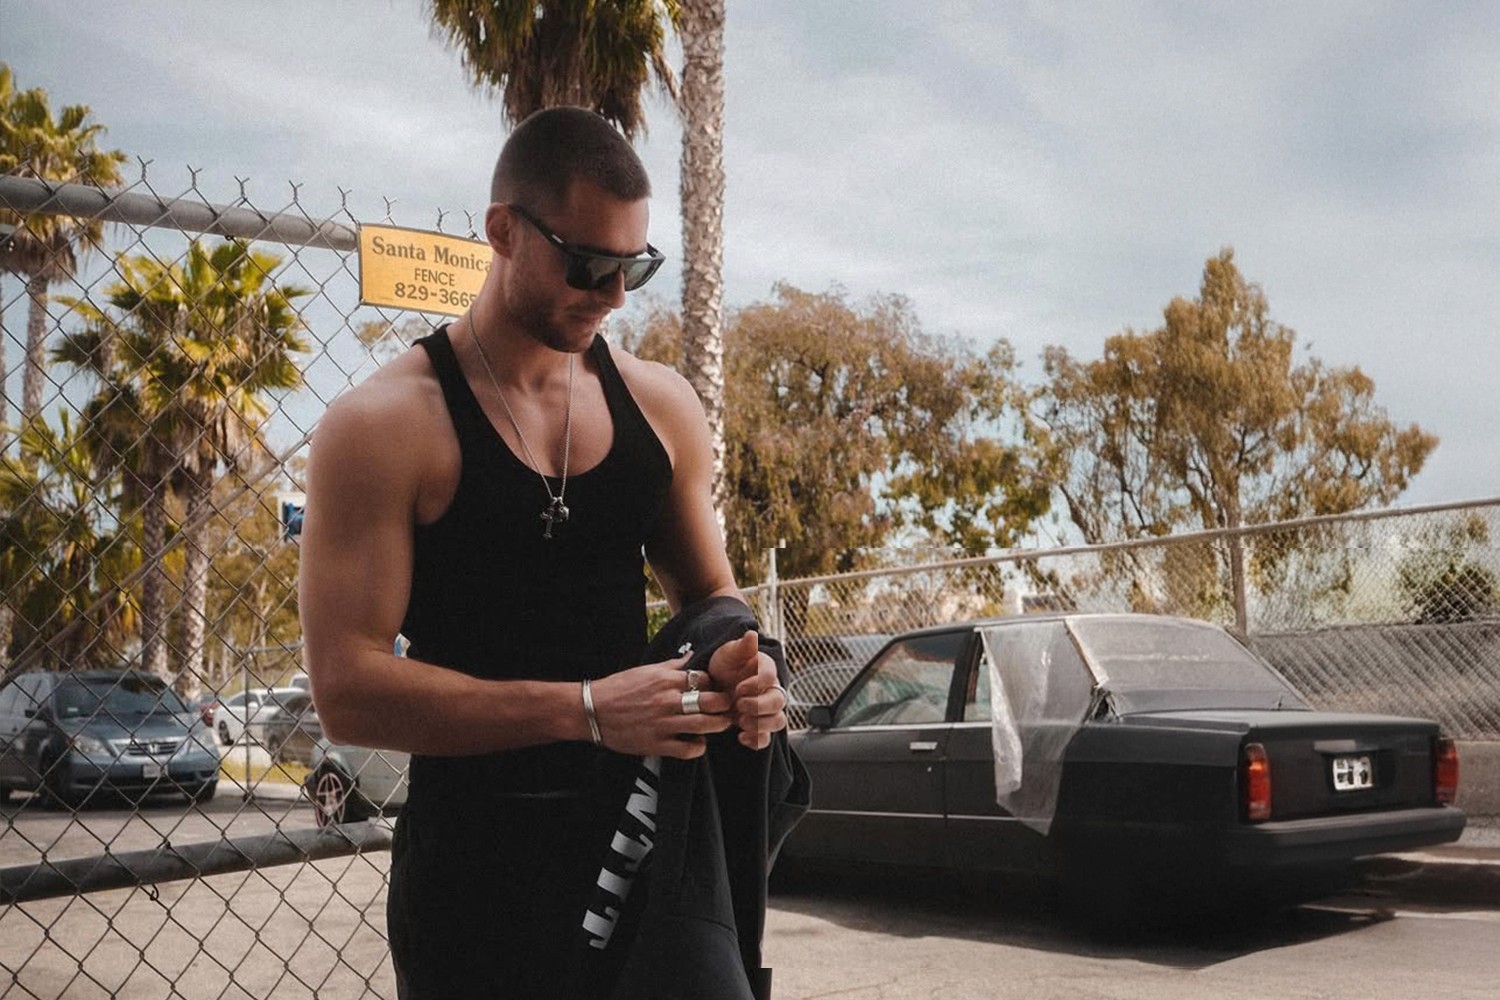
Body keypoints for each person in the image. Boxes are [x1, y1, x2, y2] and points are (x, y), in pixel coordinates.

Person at [299, 107, 791, 998]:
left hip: (642, 853)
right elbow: (349, 691)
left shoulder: (662, 406)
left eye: (635, 266)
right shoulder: (385, 425)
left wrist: (743, 672)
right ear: (502, 232)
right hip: (474, 878)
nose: (612, 295)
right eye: (588, 263)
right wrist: (586, 710)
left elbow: (712, 596)